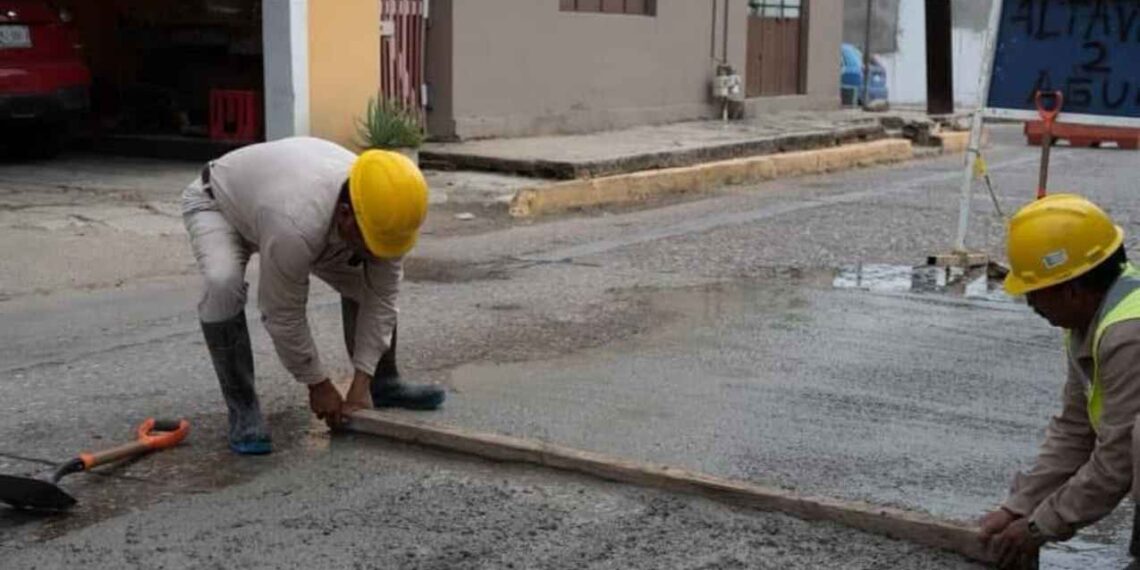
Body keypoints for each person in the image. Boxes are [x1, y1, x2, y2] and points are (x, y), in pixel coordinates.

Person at [182, 137, 445, 455]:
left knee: (364, 281)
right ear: (347, 215)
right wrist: (318, 385)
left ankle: (383, 384)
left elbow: (382, 300)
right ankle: (243, 409)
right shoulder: (296, 223)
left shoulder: (384, 212)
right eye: (371, 243)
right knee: (222, 283)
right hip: (219, 204)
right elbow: (282, 312)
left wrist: (359, 384)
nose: (379, 253)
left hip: (291, 208)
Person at [978, 194, 1140, 568]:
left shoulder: (1129, 333)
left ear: (1071, 289)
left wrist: (1040, 526)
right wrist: (1018, 507)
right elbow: (1075, 429)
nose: (1031, 305)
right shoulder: (1091, 317)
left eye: (1035, 294)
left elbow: (1116, 460)